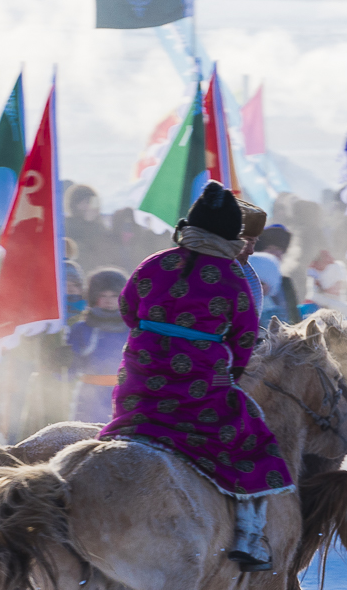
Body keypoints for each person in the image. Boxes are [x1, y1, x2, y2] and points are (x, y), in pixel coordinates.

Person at [98, 181, 289, 570]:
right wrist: (226, 372)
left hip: (138, 381)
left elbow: (127, 308)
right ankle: (250, 537)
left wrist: (153, 339)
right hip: (198, 390)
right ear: (229, 235)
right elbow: (244, 339)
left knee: (124, 427)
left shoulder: (153, 263)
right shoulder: (234, 278)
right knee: (254, 439)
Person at [67, 269, 129, 423]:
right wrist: (61, 362)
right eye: (103, 295)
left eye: (114, 296)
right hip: (89, 394)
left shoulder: (131, 328)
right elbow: (71, 365)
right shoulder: (82, 328)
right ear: (94, 297)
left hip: (123, 392)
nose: (108, 300)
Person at [248, 224, 293, 325]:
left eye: (280, 252)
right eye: (271, 251)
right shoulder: (247, 282)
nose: (276, 255)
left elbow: (293, 316)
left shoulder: (285, 282)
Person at [64, 183, 110, 270]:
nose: (90, 206)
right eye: (86, 202)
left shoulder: (100, 228)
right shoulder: (67, 226)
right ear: (76, 204)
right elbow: (76, 252)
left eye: (93, 202)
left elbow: (105, 252)